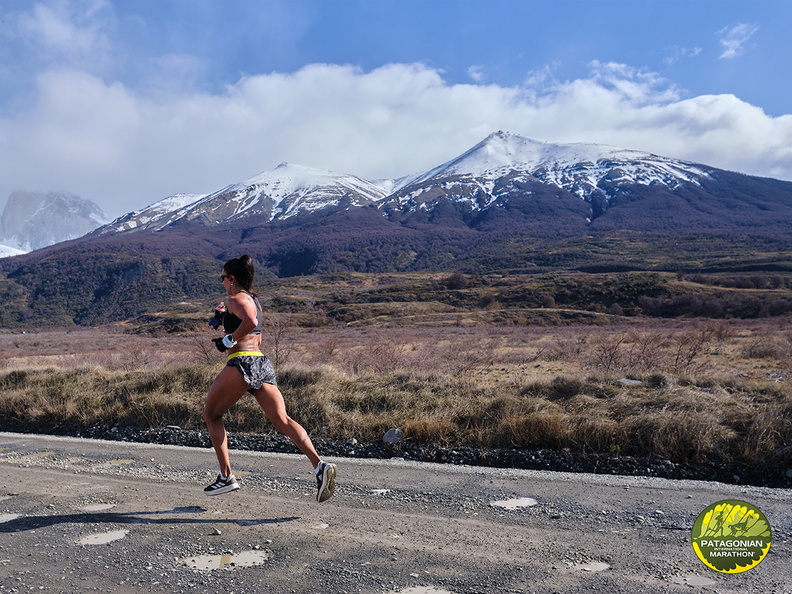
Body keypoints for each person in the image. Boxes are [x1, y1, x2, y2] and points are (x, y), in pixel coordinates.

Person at [202, 255, 336, 502]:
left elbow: (248, 323)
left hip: (241, 362)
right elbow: (254, 328)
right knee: (282, 420)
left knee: (211, 415)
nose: (221, 282)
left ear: (232, 279)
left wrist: (227, 340)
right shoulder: (254, 300)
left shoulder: (235, 299)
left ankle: (226, 476)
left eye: (222, 278)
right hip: (261, 362)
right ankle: (320, 466)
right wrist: (223, 319)